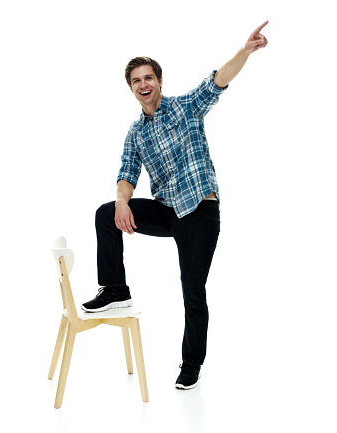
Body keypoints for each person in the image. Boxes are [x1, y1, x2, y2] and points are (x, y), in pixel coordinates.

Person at [82, 22, 269, 390]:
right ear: (132, 89)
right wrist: (122, 199)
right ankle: (116, 289)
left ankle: (191, 363)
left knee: (192, 289)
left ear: (159, 81)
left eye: (148, 77)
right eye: (136, 80)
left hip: (199, 211)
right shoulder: (136, 133)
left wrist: (245, 51)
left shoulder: (186, 107)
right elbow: (126, 173)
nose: (143, 84)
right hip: (168, 211)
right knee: (105, 212)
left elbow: (218, 79)